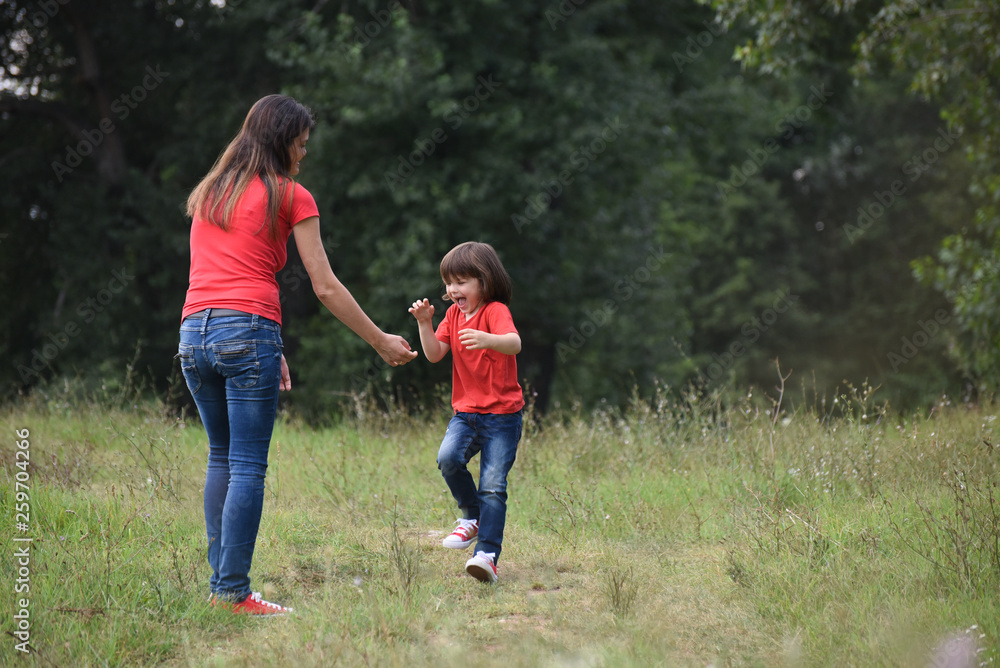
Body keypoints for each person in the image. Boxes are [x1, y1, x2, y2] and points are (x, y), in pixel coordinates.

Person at [179, 94, 417, 615]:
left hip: (194, 334)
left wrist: (270, 343)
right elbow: (325, 287)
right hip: (247, 332)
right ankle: (232, 593)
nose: (303, 155)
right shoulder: (289, 194)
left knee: (222, 456)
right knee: (246, 465)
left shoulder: (210, 194)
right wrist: (381, 340)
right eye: (301, 144)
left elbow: (222, 276)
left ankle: (222, 588)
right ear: (282, 139)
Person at [408, 241, 524, 583]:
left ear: (484, 282)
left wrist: (489, 340)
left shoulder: (495, 311)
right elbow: (433, 354)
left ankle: (486, 555)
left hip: (503, 416)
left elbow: (514, 343)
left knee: (492, 484)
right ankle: (471, 517)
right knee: (448, 458)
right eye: (449, 282)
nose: (452, 289)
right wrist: (425, 323)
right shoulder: (453, 315)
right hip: (466, 414)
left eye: (461, 281)